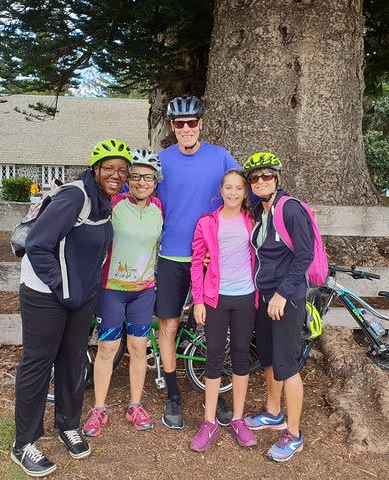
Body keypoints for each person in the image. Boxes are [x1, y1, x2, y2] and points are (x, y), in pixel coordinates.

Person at [11, 139, 131, 477]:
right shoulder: (74, 196)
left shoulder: (105, 202)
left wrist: (85, 292)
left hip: (79, 296)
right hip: (44, 292)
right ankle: (24, 443)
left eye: (122, 171)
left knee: (74, 359)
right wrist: (61, 287)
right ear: (95, 169)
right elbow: (37, 244)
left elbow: (93, 253)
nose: (116, 175)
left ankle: (67, 425)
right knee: (38, 363)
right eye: (109, 168)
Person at [155, 94, 240, 430]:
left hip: (209, 258)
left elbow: (244, 193)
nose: (186, 128)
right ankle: (172, 393)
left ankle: (213, 390)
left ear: (201, 124)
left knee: (210, 328)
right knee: (170, 326)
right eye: (180, 124)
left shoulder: (220, 157)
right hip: (170, 257)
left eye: (192, 122)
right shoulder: (161, 160)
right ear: (172, 127)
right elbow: (137, 193)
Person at [82, 149, 164, 437]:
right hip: (112, 289)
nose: (142, 182)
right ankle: (99, 408)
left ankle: (135, 405)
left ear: (156, 181)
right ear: (128, 179)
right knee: (106, 348)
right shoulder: (114, 203)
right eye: (136, 176)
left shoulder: (159, 208)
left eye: (148, 177)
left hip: (143, 291)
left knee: (139, 348)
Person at [241, 152, 313, 463]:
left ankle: (294, 434)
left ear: (277, 178)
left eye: (266, 176)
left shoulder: (290, 208)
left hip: (287, 297)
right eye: (254, 177)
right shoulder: (260, 212)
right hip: (264, 297)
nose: (260, 181)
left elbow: (304, 255)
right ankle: (273, 412)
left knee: (287, 365)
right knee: (269, 358)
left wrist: (283, 294)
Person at [188, 169, 258, 453]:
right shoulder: (207, 222)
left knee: (241, 355)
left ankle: (239, 419)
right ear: (221, 190)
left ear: (245, 192)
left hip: (245, 297)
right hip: (215, 298)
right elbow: (195, 262)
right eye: (228, 188)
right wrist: (199, 300)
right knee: (214, 355)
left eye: (238, 188)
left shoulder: (253, 220)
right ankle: (209, 421)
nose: (232, 193)